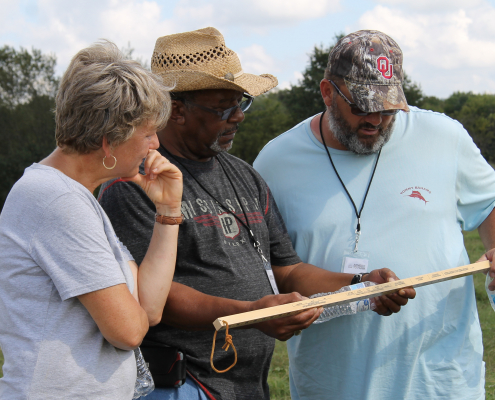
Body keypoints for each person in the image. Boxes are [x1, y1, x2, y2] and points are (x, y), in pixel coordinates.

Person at [99, 27, 414, 400]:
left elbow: (288, 271)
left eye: (242, 104)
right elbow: (151, 298)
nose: (238, 118)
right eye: (223, 107)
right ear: (176, 109)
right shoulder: (135, 185)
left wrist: (360, 286)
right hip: (181, 385)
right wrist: (251, 312)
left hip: (244, 387)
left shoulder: (243, 175)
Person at [253, 30, 495, 400]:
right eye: (362, 107)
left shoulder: (444, 137)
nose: (376, 120)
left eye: (387, 108)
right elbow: (267, 269)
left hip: (442, 381)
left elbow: (489, 204)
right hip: (331, 385)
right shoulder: (275, 161)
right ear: (328, 92)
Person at [0, 41, 183, 399]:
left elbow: (149, 307)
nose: (156, 144)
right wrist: (132, 316)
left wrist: (168, 211)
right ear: (107, 141)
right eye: (148, 133)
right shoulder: (57, 200)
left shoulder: (76, 196)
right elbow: (128, 331)